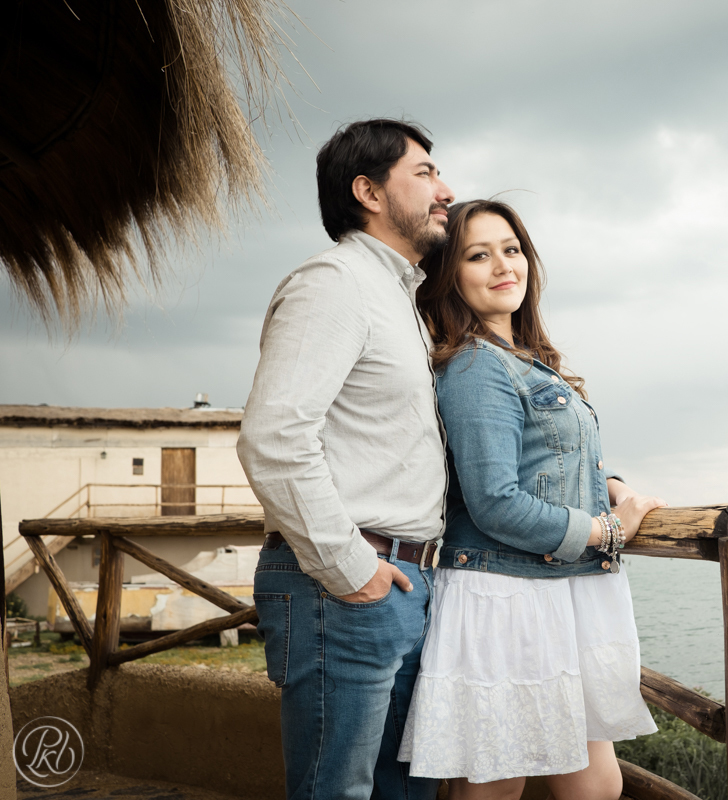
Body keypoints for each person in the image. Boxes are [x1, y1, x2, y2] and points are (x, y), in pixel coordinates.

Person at [399, 199, 667, 800]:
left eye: (511, 249)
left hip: (550, 590)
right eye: (478, 254)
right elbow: (495, 500)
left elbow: (549, 458)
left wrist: (612, 483)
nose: (502, 265)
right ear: (451, 277)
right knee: (497, 788)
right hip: (506, 597)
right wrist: (609, 530)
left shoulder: (523, 362)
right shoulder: (473, 368)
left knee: (594, 785)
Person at [237, 118, 454, 800]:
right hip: (347, 586)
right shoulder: (334, 283)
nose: (444, 189)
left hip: (405, 586)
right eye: (423, 173)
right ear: (368, 191)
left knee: (404, 793)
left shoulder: (403, 302)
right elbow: (273, 438)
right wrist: (350, 569)